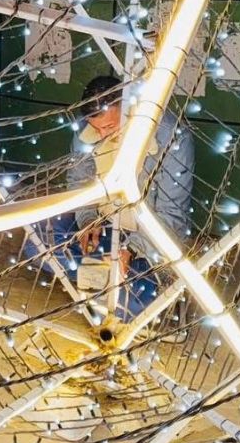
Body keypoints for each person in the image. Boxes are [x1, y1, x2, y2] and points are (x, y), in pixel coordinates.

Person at [31, 74, 194, 330]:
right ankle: (101, 281)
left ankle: (120, 285)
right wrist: (87, 219)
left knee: (138, 300)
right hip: (105, 228)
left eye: (108, 127)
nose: (101, 134)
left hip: (147, 240)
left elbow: (171, 216)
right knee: (37, 240)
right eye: (96, 128)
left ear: (128, 107)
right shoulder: (88, 127)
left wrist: (132, 250)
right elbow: (78, 181)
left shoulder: (172, 136)